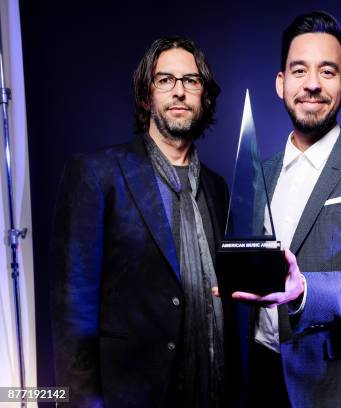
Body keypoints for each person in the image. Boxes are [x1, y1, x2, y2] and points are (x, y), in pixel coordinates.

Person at [231, 11, 341, 408]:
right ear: (281, 83)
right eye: (299, 71)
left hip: (337, 388)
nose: (311, 84)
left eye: (327, 72)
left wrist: (304, 291)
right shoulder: (260, 174)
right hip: (260, 377)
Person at [50, 36, 233, 407]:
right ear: (146, 94)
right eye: (165, 80)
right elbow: (74, 309)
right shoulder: (97, 174)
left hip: (211, 392)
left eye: (191, 81)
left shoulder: (218, 188)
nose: (179, 92)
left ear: (205, 96)